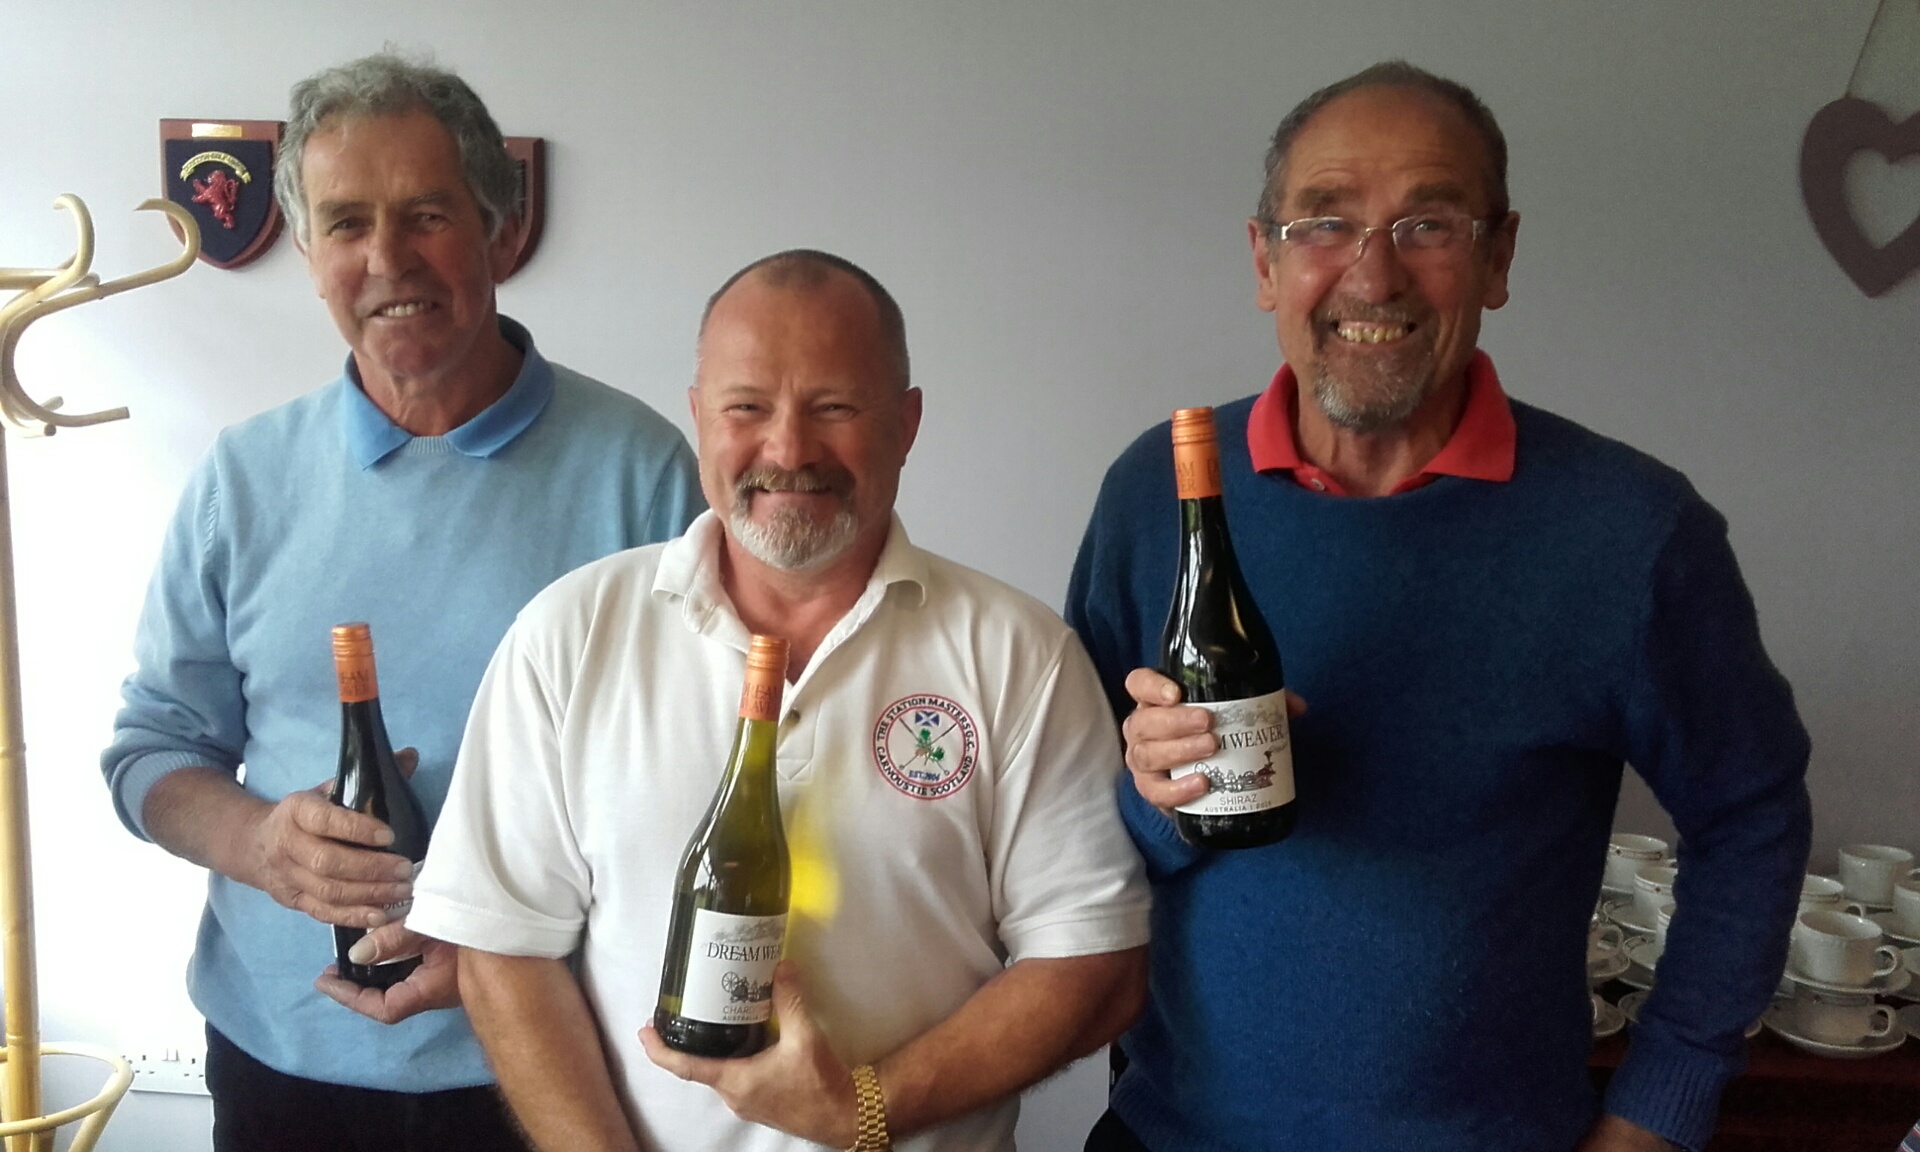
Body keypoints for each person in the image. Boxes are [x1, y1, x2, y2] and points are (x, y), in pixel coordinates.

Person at [1066, 61, 1811, 1152]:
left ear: (1498, 256)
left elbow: (1752, 818)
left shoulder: (1633, 532)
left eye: (1429, 224)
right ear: (1265, 260)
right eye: (1324, 222)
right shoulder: (1158, 492)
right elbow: (1066, 832)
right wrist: (1161, 804)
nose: (1373, 277)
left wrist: (1659, 1108)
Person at [407, 249, 1151, 1152]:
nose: (789, 450)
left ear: (906, 423)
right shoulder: (569, 633)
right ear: (698, 417)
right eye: (747, 408)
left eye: (835, 407)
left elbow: (1093, 960)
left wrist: (867, 1109)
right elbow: (502, 948)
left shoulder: (1019, 655)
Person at [101, 53, 701, 1152]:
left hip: (549, 1056)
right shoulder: (242, 479)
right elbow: (152, 753)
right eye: (346, 224)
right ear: (310, 255)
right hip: (282, 1064)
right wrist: (260, 841)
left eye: (426, 215)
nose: (386, 260)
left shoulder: (644, 476)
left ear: (500, 233)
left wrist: (505, 941)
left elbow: (694, 788)